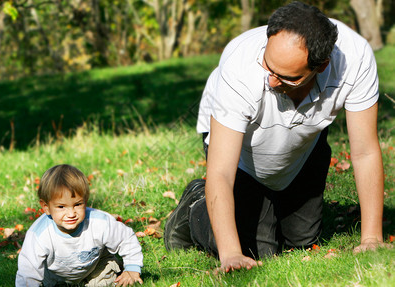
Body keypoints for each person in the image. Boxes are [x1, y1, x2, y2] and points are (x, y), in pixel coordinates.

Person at [164, 1, 388, 272]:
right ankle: (194, 206)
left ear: (321, 66)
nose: (270, 80)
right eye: (268, 67)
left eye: (285, 77)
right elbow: (221, 172)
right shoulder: (240, 67)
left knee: (304, 240)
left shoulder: (355, 58)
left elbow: (365, 151)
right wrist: (231, 254)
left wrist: (372, 238)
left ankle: (272, 207)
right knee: (255, 250)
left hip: (302, 142)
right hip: (242, 150)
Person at [16, 164, 143, 287]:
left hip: (94, 268)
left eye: (77, 204)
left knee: (104, 284)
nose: (71, 213)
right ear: (46, 207)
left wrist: (132, 268)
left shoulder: (99, 223)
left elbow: (126, 238)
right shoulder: (39, 234)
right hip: (55, 274)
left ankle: (110, 272)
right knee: (47, 282)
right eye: (61, 207)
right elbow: (28, 267)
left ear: (85, 201)